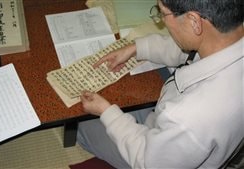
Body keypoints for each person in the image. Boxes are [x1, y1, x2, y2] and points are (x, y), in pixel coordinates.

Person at [77, 0, 244, 168]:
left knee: (81, 125)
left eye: (163, 13)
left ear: (194, 21)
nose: (162, 20)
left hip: (157, 157)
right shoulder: (228, 35)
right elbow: (191, 49)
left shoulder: (188, 116)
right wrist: (137, 48)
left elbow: (148, 161)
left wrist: (106, 112)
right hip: (175, 134)